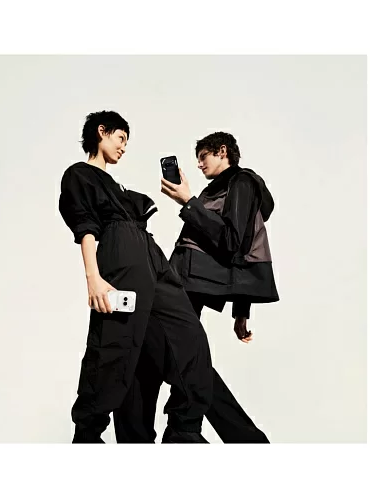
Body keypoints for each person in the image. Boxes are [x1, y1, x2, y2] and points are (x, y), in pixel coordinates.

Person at [58, 110, 214, 443]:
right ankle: (87, 437)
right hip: (120, 253)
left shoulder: (117, 186)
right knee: (114, 348)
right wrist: (93, 278)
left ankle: (183, 433)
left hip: (149, 253)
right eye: (120, 138)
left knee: (190, 338)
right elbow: (85, 227)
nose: (124, 147)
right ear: (101, 131)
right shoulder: (79, 174)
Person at [114, 132, 278, 443]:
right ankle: (169, 433)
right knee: (161, 354)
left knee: (176, 358)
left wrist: (188, 202)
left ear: (223, 151)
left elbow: (233, 242)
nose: (199, 164)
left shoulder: (242, 182)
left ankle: (197, 432)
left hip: (188, 283)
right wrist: (240, 313)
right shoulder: (215, 189)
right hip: (181, 279)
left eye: (204, 156)